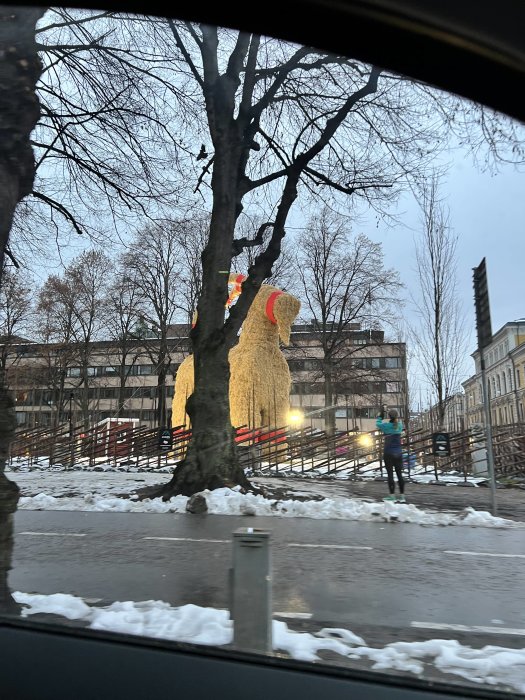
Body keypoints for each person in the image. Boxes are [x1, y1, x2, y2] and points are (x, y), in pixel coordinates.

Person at [376, 406, 405, 503]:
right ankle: (402, 496)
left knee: (390, 474)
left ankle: (392, 496)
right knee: (399, 474)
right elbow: (396, 424)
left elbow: (378, 424)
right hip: (398, 453)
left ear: (389, 416)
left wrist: (380, 416)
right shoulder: (400, 425)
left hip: (388, 453)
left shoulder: (386, 426)